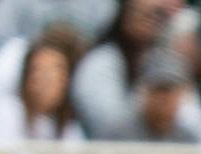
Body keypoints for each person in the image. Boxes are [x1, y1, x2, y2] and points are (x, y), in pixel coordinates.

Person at [69, 0, 169, 139]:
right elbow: (108, 125)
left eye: (156, 14)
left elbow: (192, 118)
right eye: (141, 12)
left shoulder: (162, 61)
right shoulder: (99, 62)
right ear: (124, 15)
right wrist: (150, 107)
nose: (149, 20)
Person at [113, 47, 201, 154]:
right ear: (145, 91)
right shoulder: (125, 132)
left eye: (171, 89)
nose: (165, 98)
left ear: (182, 93)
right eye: (159, 89)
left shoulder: (187, 137)